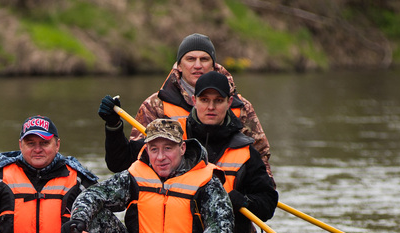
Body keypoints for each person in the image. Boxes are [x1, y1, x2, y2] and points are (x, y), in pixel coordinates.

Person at [53, 118, 234, 233]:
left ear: (182, 148)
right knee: (96, 217)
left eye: (168, 148)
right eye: (154, 149)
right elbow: (93, 194)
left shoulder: (207, 182)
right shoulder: (134, 177)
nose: (160, 157)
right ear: (147, 149)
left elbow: (222, 228)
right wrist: (79, 218)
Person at [100, 33, 272, 176]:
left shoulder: (241, 107)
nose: (198, 66)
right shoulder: (156, 105)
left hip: (229, 200)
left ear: (213, 65)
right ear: (179, 65)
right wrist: (114, 126)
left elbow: (261, 157)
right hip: (176, 199)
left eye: (204, 59)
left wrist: (255, 198)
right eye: (190, 59)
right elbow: (129, 161)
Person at [185, 71, 278, 233]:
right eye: (204, 100)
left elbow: (268, 204)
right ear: (194, 101)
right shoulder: (172, 144)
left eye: (218, 100)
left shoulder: (246, 152)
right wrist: (114, 128)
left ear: (229, 103)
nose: (211, 107)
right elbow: (122, 163)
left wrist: (244, 201)